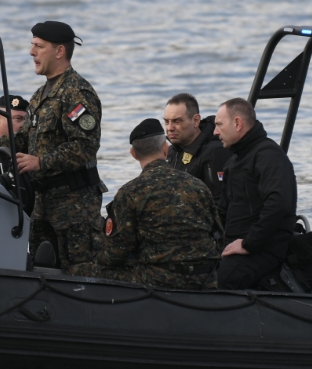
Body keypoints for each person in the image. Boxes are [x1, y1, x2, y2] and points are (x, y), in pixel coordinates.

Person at [15, 21, 105, 271]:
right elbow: (22, 139)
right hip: (43, 202)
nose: (31, 52)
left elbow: (85, 146)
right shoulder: (40, 95)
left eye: (38, 46)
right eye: (32, 45)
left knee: (79, 272)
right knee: (42, 270)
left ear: (59, 51)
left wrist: (40, 162)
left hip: (74, 205)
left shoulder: (77, 93)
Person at [91, 118, 222, 289]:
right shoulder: (198, 186)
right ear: (165, 149)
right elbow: (218, 234)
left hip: (160, 279)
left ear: (133, 154)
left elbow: (116, 253)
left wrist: (96, 257)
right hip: (205, 278)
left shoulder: (130, 192)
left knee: (83, 270)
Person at [213, 97, 297, 291]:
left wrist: (249, 244)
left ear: (237, 123)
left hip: (263, 248)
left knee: (215, 285)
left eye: (219, 125)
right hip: (234, 243)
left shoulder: (269, 155)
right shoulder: (234, 161)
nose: (215, 132)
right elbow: (221, 211)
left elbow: (278, 204)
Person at [163, 92, 228, 212]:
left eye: (177, 121)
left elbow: (222, 203)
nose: (169, 128)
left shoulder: (215, 152)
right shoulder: (171, 152)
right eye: (166, 122)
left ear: (196, 120)